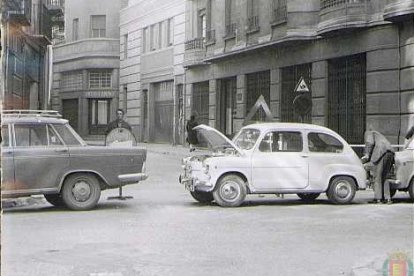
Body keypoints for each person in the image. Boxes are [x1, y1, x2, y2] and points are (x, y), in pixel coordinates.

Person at [361, 129, 395, 204]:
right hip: (390, 153)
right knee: (385, 177)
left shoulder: (368, 132)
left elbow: (370, 143)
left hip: (381, 152)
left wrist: (366, 155)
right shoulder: (378, 134)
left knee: (377, 176)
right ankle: (387, 199)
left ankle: (378, 199)